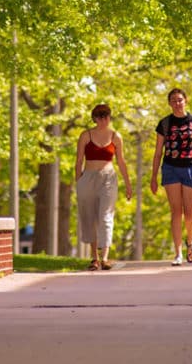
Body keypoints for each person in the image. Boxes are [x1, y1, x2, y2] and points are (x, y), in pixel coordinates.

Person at [151, 88, 192, 266]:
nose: (177, 103)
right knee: (176, 212)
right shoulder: (164, 123)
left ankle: (190, 242)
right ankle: (178, 253)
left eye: (180, 100)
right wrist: (153, 177)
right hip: (170, 169)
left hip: (191, 168)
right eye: (174, 100)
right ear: (169, 103)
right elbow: (158, 152)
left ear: (186, 101)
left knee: (190, 213)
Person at [75, 104, 133, 271]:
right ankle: (94, 257)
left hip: (108, 178)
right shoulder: (85, 135)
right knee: (90, 217)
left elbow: (121, 161)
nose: (103, 120)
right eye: (100, 117)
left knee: (106, 216)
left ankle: (105, 258)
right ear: (94, 118)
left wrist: (128, 184)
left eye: (106, 116)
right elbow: (79, 161)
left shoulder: (116, 136)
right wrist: (79, 181)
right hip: (88, 178)